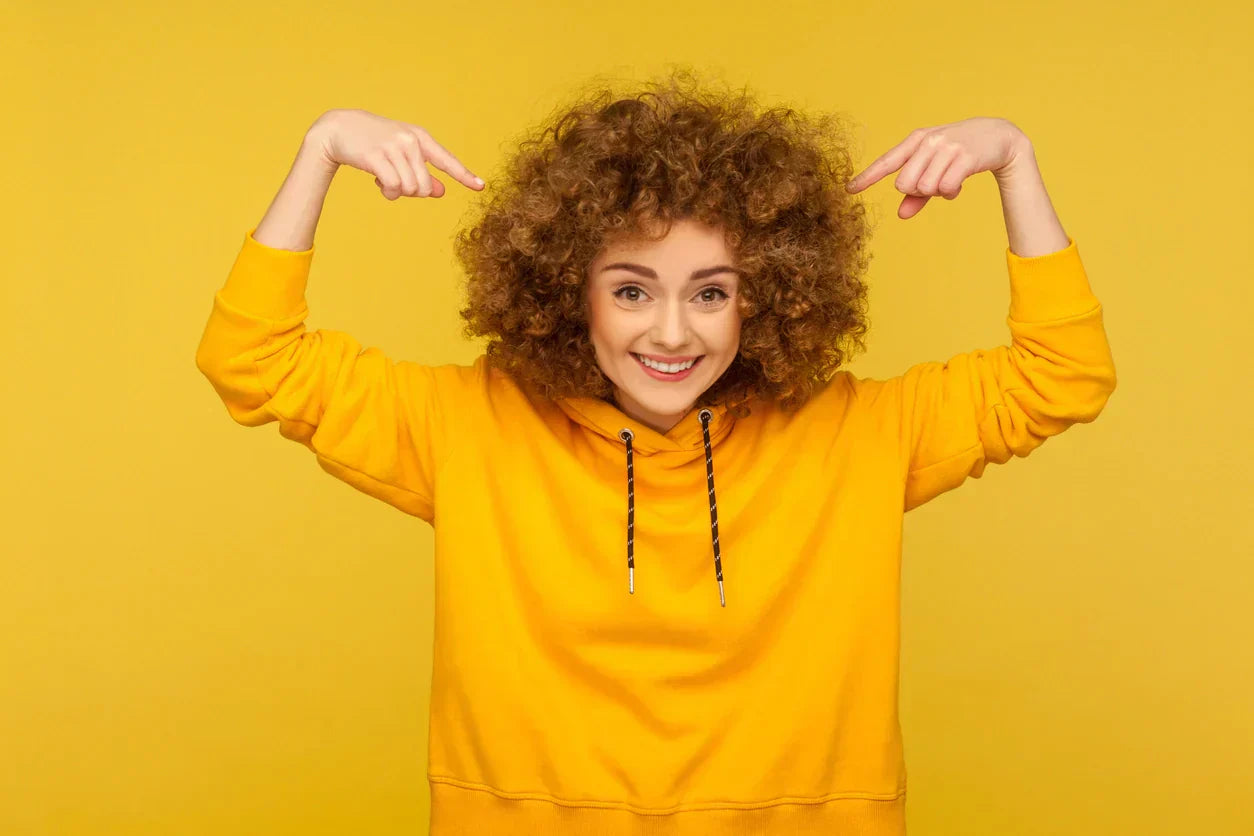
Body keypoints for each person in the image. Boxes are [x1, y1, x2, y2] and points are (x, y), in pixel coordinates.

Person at [195, 69, 1116, 835]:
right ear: (566, 291)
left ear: (769, 296)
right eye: (632, 291)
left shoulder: (860, 433)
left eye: (712, 293)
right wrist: (321, 148)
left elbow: (1063, 373)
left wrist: (1013, 161)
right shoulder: (469, 422)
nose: (673, 331)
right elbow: (253, 360)